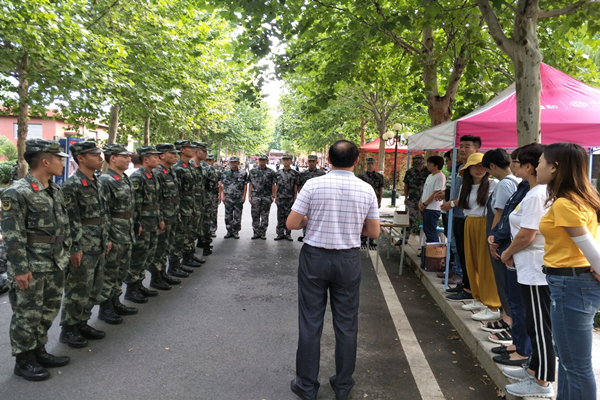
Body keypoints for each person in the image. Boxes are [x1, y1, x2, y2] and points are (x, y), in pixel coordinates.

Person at [287, 140, 380, 400]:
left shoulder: (313, 185)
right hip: (348, 259)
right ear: (357, 161)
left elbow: (292, 223)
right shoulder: (366, 189)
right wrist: (353, 227)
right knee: (347, 324)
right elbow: (373, 232)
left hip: (314, 258)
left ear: (328, 159)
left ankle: (307, 385)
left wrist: (310, 220)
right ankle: (343, 385)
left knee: (310, 322)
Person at [1, 139, 71, 381]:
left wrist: (66, 253)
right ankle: (23, 360)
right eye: (59, 158)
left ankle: (38, 350)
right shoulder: (17, 192)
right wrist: (20, 269)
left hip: (55, 262)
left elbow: (63, 226)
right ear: (45, 161)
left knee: (48, 311)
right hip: (32, 265)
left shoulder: (55, 190)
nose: (62, 162)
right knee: (27, 314)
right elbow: (12, 235)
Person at [537, 143, 600, 400]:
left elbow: (589, 247)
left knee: (576, 366)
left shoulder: (566, 203)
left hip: (571, 285)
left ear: (554, 167)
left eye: (540, 163)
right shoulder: (583, 198)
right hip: (573, 284)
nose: (537, 168)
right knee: (568, 361)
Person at [498, 144, 555, 398]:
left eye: (516, 162)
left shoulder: (537, 194)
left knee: (540, 328)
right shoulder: (533, 192)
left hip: (535, 270)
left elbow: (527, 234)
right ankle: (533, 369)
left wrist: (507, 253)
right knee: (534, 323)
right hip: (529, 267)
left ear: (529, 167)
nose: (512, 166)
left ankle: (542, 382)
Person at [60, 141, 111, 348]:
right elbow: (69, 220)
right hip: (83, 246)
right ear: (80, 158)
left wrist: (106, 238)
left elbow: (103, 215)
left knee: (94, 288)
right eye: (95, 154)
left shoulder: (97, 181)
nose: (100, 158)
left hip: (98, 242)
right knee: (78, 289)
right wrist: (74, 248)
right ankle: (69, 329)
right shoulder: (71, 185)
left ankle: (82, 322)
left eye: (100, 154)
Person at [481, 149, 520, 347]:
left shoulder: (505, 184)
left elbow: (500, 213)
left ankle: (509, 321)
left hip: (501, 240)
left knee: (503, 281)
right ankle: (506, 318)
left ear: (492, 166)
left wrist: (493, 240)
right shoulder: (516, 182)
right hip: (507, 239)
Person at [97, 144, 138, 325]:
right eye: (124, 156)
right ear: (112, 158)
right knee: (110, 272)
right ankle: (105, 308)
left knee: (121, 270)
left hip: (126, 230)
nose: (129, 159)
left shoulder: (124, 178)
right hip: (114, 232)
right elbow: (103, 212)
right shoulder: (105, 181)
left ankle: (115, 301)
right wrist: (106, 237)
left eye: (129, 156)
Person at [457, 152, 501, 321]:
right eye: (474, 166)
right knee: (472, 262)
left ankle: (492, 304)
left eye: (482, 166)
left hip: (485, 224)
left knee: (486, 265)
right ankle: (478, 297)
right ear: (467, 169)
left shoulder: (493, 184)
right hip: (469, 223)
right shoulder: (465, 186)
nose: (479, 169)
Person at [442, 135, 481, 301]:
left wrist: (451, 203)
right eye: (461, 146)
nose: (462, 150)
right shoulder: (461, 168)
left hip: (467, 217)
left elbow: (471, 196)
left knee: (467, 254)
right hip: (458, 215)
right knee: (459, 251)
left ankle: (469, 288)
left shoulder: (476, 170)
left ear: (477, 150)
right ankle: (464, 283)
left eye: (467, 146)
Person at [125, 145, 164, 304]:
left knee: (148, 255)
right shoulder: (138, 177)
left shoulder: (153, 175)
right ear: (146, 159)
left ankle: (139, 284)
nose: (158, 159)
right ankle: (131, 289)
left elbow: (157, 201)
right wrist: (137, 223)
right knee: (138, 256)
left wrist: (160, 219)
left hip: (153, 221)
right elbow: (135, 204)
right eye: (155, 157)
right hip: (143, 223)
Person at [150, 143, 182, 291]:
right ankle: (156, 277)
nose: (175, 156)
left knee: (167, 246)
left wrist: (177, 210)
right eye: (172, 153)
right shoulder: (157, 173)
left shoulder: (170, 171)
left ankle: (163, 273)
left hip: (172, 214)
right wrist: (160, 218)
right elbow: (156, 198)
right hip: (164, 216)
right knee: (160, 248)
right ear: (162, 155)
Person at [169, 140, 197, 278]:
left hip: (190, 204)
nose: (192, 150)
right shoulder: (178, 168)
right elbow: (177, 191)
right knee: (179, 236)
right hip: (183, 205)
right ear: (182, 150)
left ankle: (187, 257)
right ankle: (174, 265)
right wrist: (178, 209)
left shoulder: (189, 166)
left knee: (188, 233)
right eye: (189, 148)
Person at [297, 154, 325, 242]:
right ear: (307, 162)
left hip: (318, 199)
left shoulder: (321, 174)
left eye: (313, 161)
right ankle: (306, 234)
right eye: (310, 161)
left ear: (316, 162)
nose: (312, 163)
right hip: (307, 198)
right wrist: (301, 196)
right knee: (305, 217)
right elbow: (299, 186)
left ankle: (316, 235)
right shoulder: (303, 174)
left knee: (317, 216)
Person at [357, 157, 384, 247]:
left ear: (374, 164)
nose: (370, 165)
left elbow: (381, 188)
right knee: (363, 219)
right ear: (366, 164)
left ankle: (371, 239)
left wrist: (380, 200)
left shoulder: (379, 176)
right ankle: (363, 238)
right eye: (368, 164)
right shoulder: (361, 176)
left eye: (372, 164)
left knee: (373, 219)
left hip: (374, 201)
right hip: (363, 200)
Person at [248, 154, 276, 240]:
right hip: (255, 196)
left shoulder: (271, 172)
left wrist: (273, 196)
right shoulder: (253, 171)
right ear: (258, 161)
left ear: (266, 161)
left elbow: (273, 184)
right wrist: (249, 196)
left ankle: (263, 233)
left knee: (265, 216)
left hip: (266, 197)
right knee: (255, 215)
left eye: (263, 160)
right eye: (260, 160)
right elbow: (250, 184)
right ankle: (256, 233)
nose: (262, 162)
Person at [419, 155, 445, 243]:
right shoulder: (430, 176)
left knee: (430, 231)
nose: (428, 165)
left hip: (432, 208)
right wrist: (421, 202)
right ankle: (429, 248)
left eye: (430, 163)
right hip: (425, 207)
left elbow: (436, 192)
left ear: (436, 165)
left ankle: (434, 248)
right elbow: (425, 190)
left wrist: (425, 204)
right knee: (427, 230)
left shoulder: (440, 176)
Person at [220, 156, 248, 239]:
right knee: (228, 215)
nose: (233, 164)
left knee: (237, 215)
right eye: (231, 162)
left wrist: (244, 196)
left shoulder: (243, 173)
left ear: (238, 163)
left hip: (238, 197)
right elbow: (223, 185)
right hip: (228, 197)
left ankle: (236, 231)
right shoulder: (225, 173)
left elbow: (245, 185)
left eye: (235, 162)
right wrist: (223, 196)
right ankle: (229, 231)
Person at [274, 154, 299, 241]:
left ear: (291, 161)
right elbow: (276, 185)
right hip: (280, 197)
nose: (286, 162)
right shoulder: (278, 173)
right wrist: (275, 197)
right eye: (284, 160)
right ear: (282, 161)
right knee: (280, 217)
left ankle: (288, 234)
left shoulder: (295, 173)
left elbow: (295, 186)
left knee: (289, 217)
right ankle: (280, 234)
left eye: (288, 160)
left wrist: (295, 197)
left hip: (290, 198)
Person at [403, 154, 430, 230]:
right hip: (412, 198)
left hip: (425, 199)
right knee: (408, 219)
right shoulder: (409, 172)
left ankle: (426, 236)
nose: (418, 167)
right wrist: (405, 197)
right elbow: (406, 185)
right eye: (416, 165)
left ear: (423, 163)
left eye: (419, 165)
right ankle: (405, 235)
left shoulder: (428, 172)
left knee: (426, 219)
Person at [200, 147, 218, 256]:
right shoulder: (208, 169)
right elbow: (213, 186)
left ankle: (198, 242)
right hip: (206, 197)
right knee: (206, 221)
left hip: (192, 199)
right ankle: (206, 246)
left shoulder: (189, 166)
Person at [206, 154, 220, 238]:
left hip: (214, 194)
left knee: (214, 212)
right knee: (205, 213)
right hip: (205, 195)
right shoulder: (202, 170)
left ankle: (213, 230)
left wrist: (220, 195)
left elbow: (220, 184)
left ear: (213, 161)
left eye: (210, 160)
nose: (208, 162)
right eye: (207, 160)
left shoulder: (217, 172)